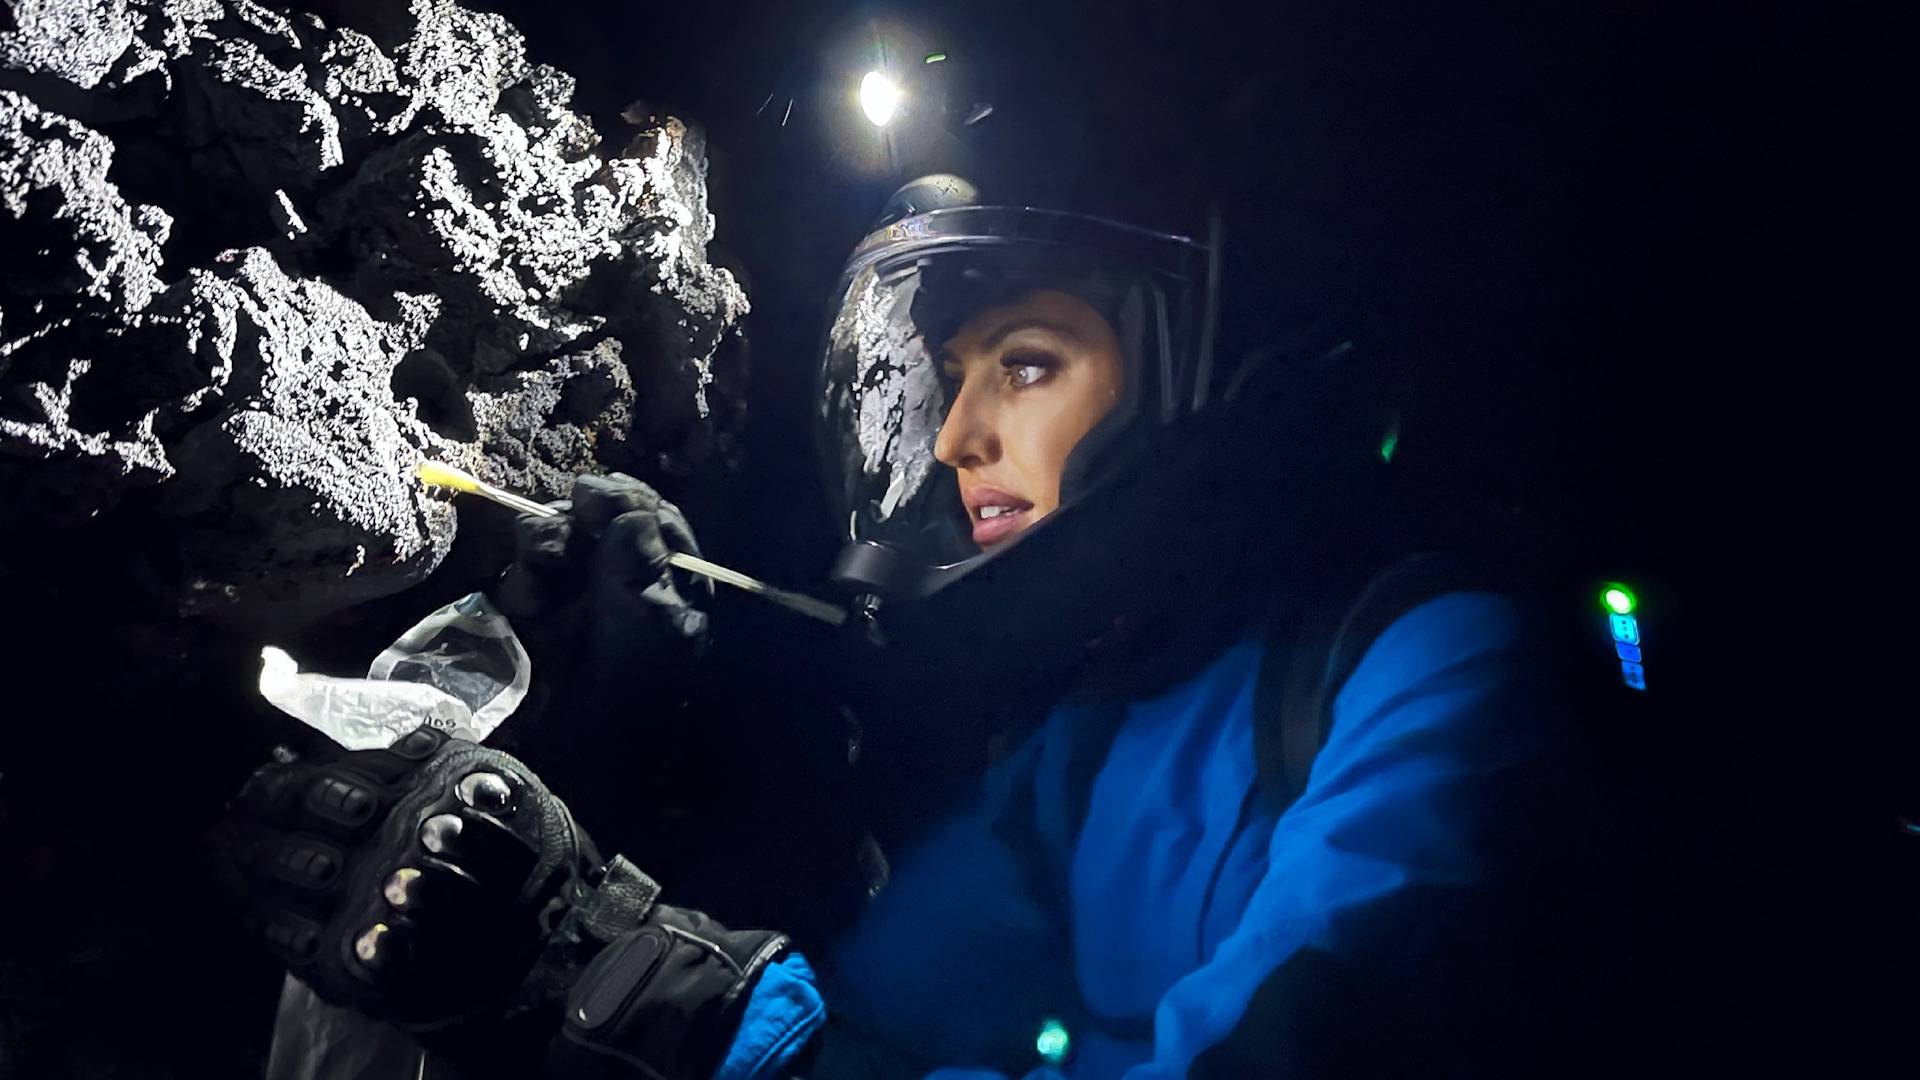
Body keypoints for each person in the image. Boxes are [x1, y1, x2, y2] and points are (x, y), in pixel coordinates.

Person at [230, 179, 1630, 1079]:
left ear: (1211, 372)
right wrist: (651, 743)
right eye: (948, 378)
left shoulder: (1439, 666)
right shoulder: (1081, 742)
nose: (958, 436)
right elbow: (874, 1034)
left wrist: (632, 979)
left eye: (1027, 364)